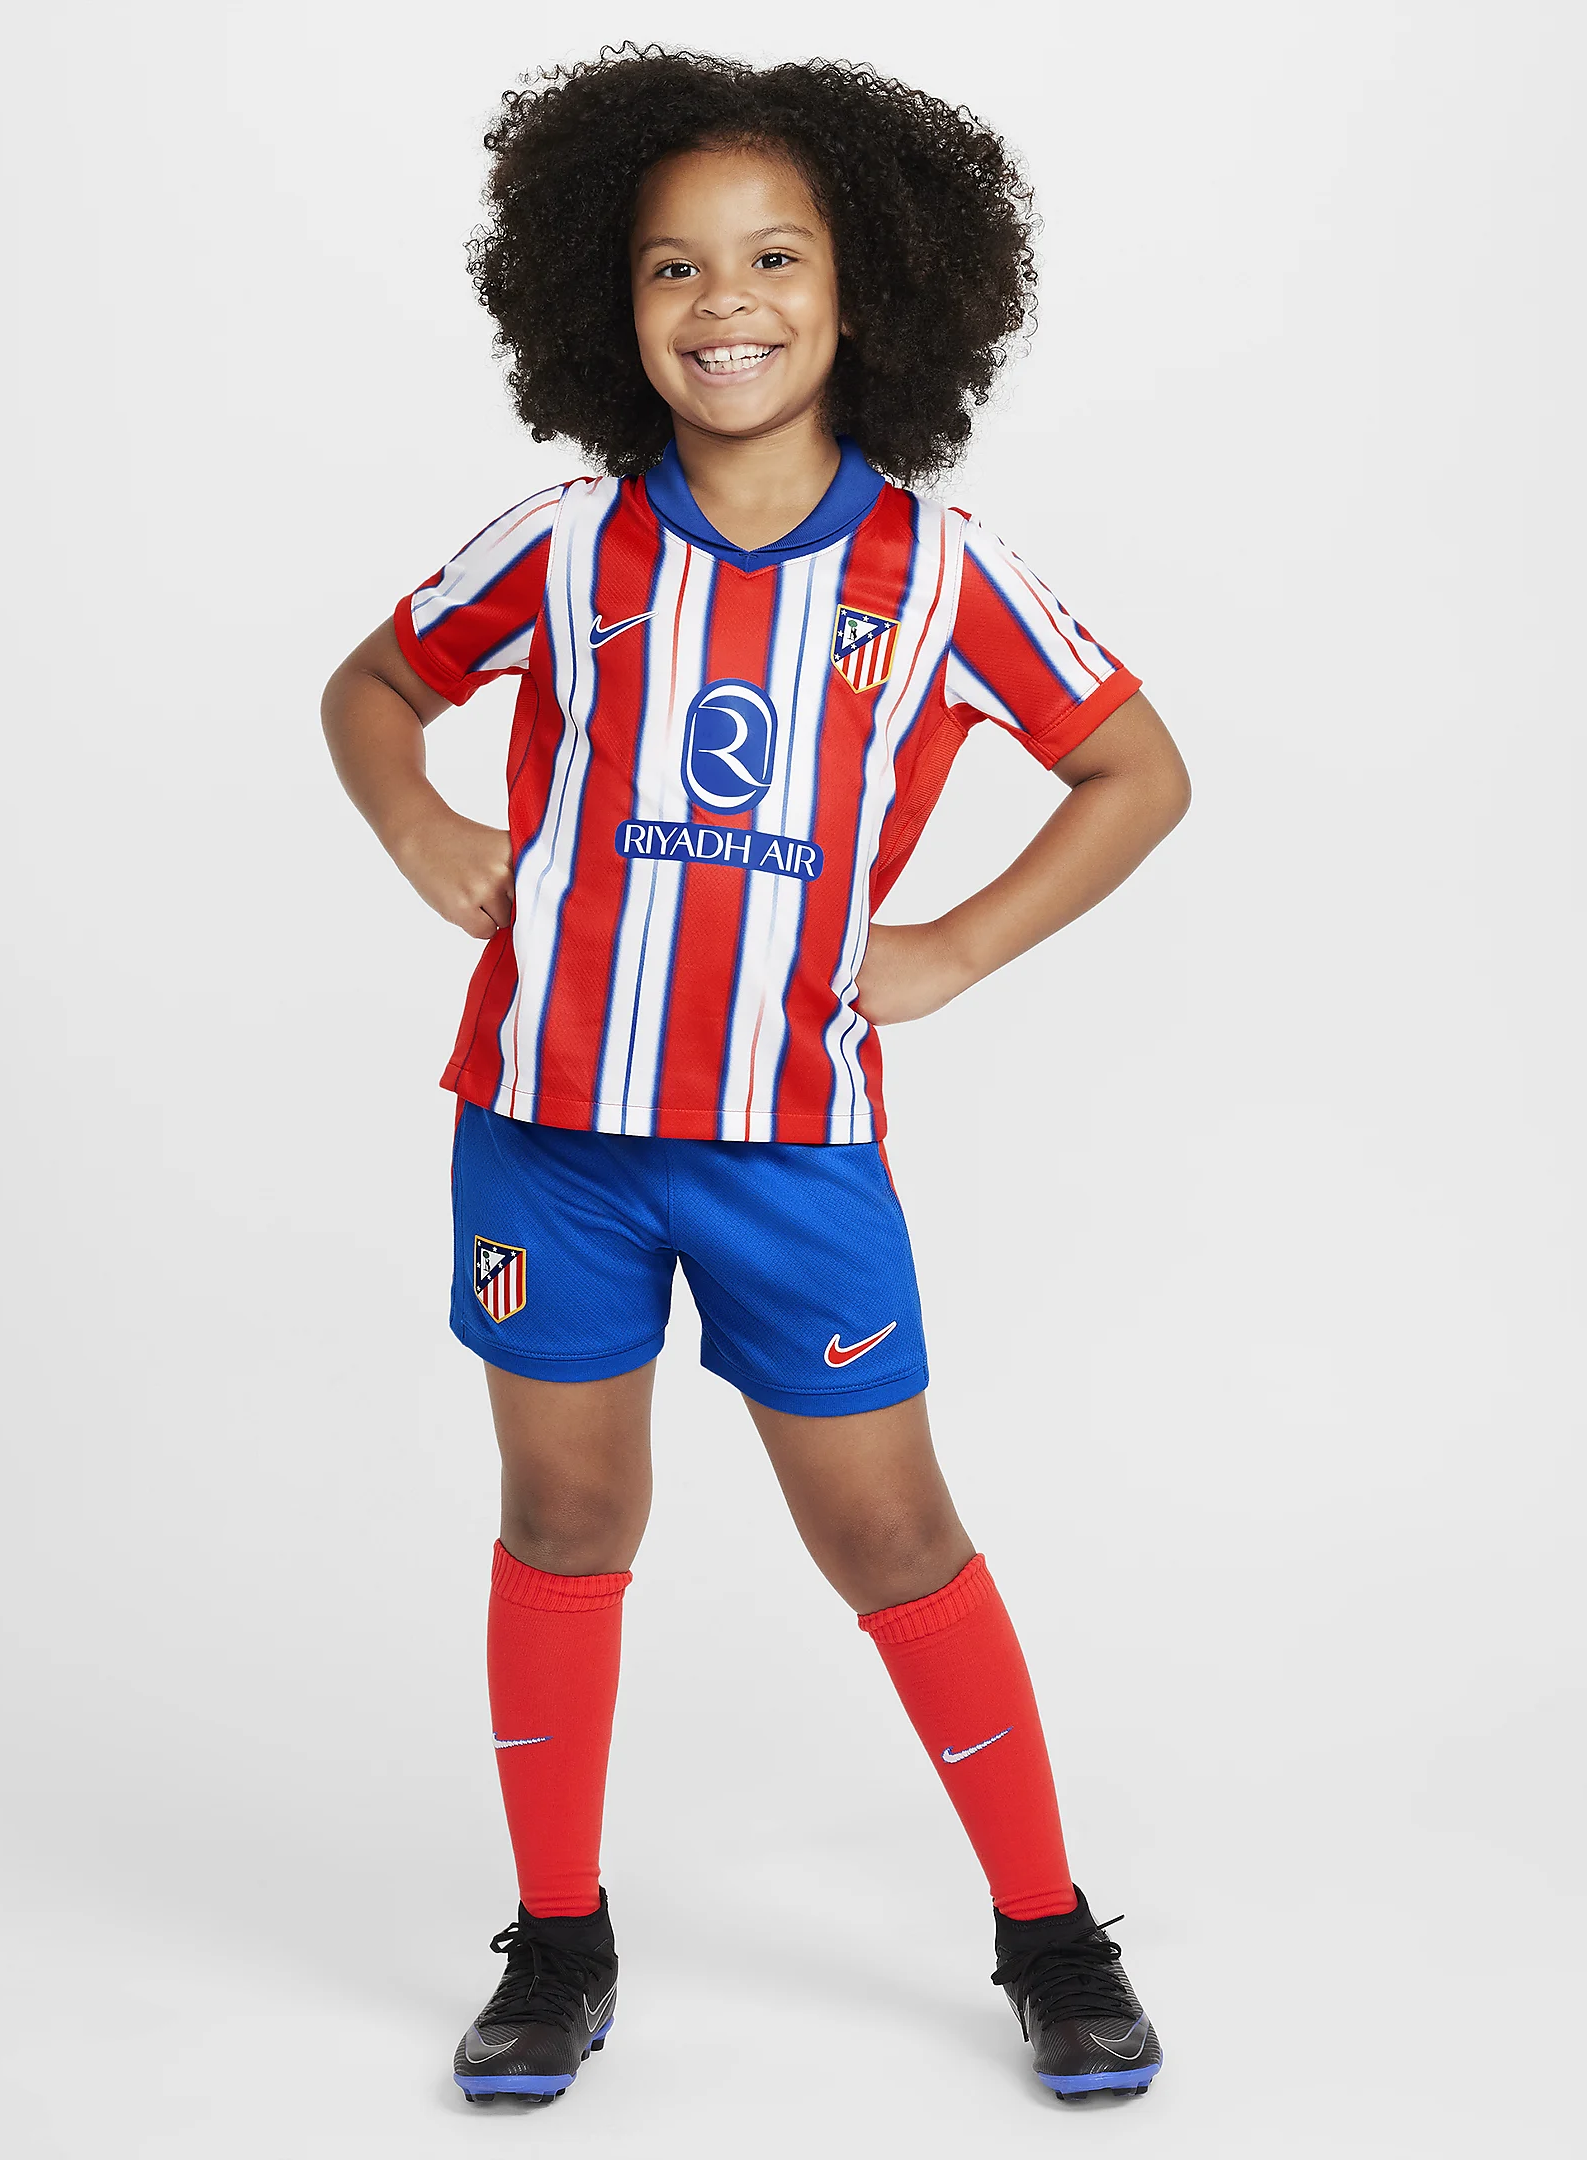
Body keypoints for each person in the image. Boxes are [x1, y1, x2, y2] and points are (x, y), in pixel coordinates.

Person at [321, 48, 1190, 2110]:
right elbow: (373, 683)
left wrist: (954, 944)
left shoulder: (939, 569)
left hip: (793, 1148)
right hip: (549, 1133)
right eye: (674, 267)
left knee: (891, 1530)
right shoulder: (567, 542)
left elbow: (1134, 769)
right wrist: (417, 816)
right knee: (567, 1511)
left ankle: (1050, 1929)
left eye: (776, 258)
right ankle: (557, 1939)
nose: (726, 302)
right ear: (609, 303)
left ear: (866, 289)